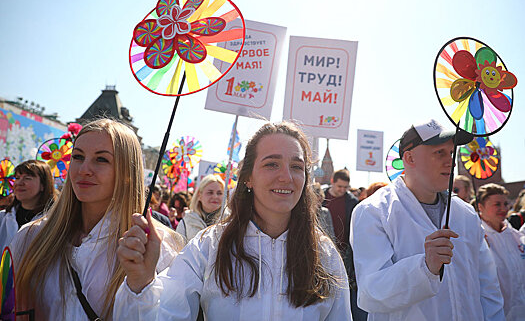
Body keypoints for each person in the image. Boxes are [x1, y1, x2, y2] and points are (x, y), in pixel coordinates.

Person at [114, 121, 351, 320]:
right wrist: (140, 283)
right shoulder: (209, 245)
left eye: (296, 167)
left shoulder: (324, 253)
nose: (286, 177)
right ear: (247, 177)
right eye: (272, 164)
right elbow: (164, 314)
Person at [9, 118, 182, 320]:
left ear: (127, 172)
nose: (84, 169)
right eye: (78, 156)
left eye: (101, 159)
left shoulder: (155, 246)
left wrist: (142, 286)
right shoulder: (32, 236)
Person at [350, 119, 504, 320]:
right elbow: (370, 293)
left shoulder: (466, 214)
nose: (450, 161)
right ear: (409, 158)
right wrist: (424, 267)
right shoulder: (373, 211)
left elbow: (488, 287)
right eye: (439, 152)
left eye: (450, 153)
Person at [477, 183, 525, 320]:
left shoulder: (516, 236)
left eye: (505, 204)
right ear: (481, 207)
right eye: (497, 204)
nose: (503, 209)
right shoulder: (477, 238)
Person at [322, 169, 363, 320]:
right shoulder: (321, 197)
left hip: (343, 252)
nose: (342, 190)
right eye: (340, 186)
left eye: (345, 187)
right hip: (321, 249)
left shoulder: (352, 202)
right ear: (332, 181)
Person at [0, 160, 55, 251]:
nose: (19, 183)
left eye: (27, 178)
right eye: (17, 178)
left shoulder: (54, 220)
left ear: (43, 185)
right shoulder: (2, 218)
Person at [175, 174, 224, 243]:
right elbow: (178, 249)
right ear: (199, 195)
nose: (215, 196)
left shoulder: (229, 221)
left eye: (219, 193)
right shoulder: (186, 221)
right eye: (210, 193)